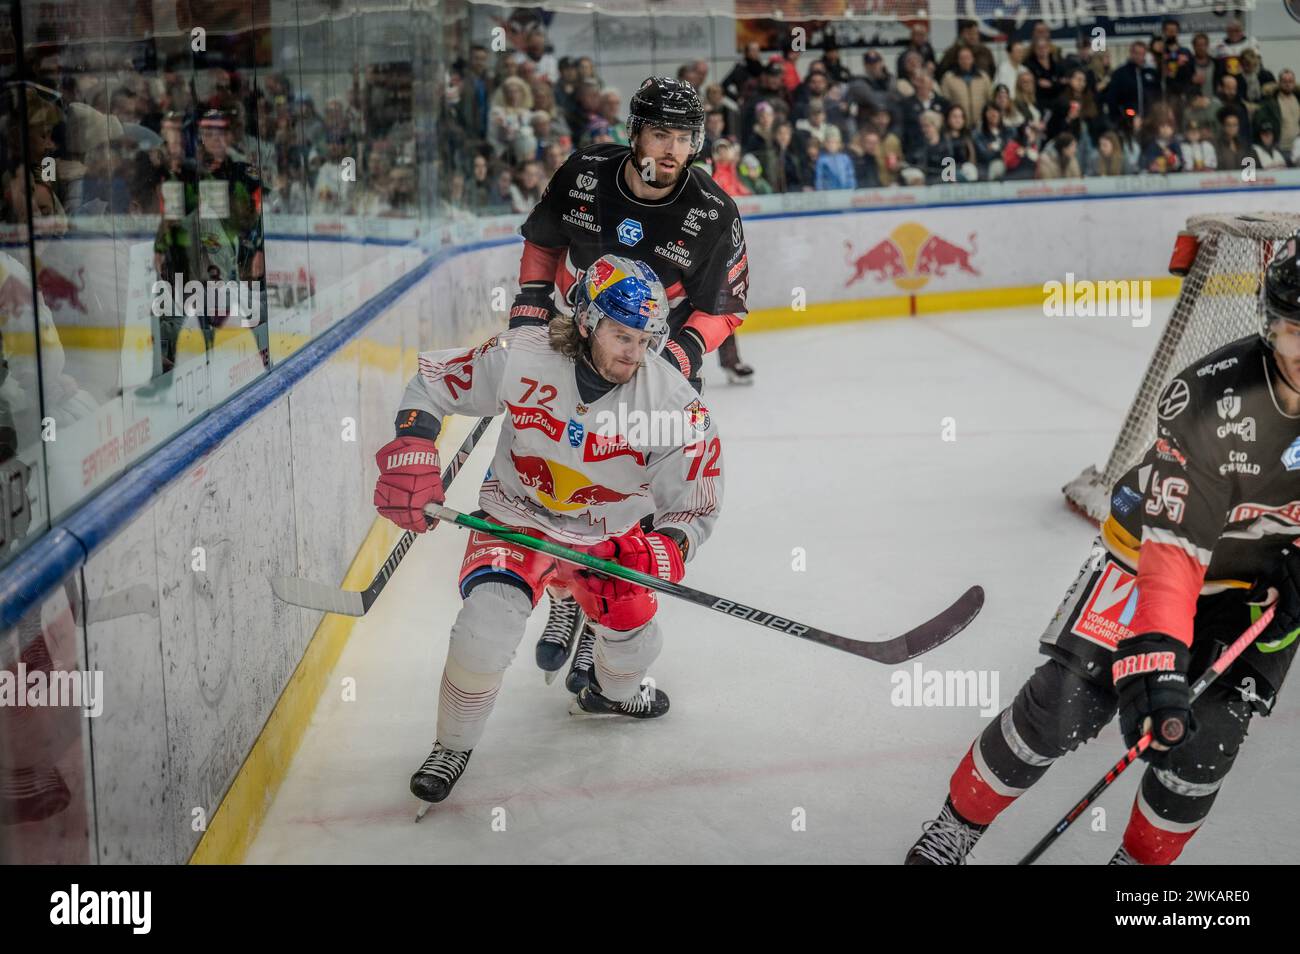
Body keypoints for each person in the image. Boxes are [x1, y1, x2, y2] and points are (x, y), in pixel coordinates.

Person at [906, 236, 1300, 864]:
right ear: (1270, 326)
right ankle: (957, 826)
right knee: (1062, 706)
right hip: (1147, 561)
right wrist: (1158, 656)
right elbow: (1172, 554)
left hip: (1256, 592)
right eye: (1295, 332)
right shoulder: (1213, 403)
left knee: (1204, 749)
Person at [378, 254, 724, 806]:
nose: (634, 354)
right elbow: (435, 381)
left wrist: (662, 553)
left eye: (645, 339)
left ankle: (611, 693)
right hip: (516, 518)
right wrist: (412, 446)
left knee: (632, 650)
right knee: (483, 630)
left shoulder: (672, 403)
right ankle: (453, 744)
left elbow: (696, 504)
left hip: (607, 541)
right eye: (620, 335)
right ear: (586, 320)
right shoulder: (523, 353)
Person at [505, 76, 753, 682]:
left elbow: (727, 305)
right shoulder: (583, 172)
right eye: (661, 134)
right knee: (560, 471)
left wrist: (679, 359)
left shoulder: (713, 210)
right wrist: (532, 305)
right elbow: (543, 243)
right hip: (573, 337)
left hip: (654, 356)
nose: (673, 149)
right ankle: (565, 599)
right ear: (634, 133)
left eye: (685, 138)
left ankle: (598, 615)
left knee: (630, 494)